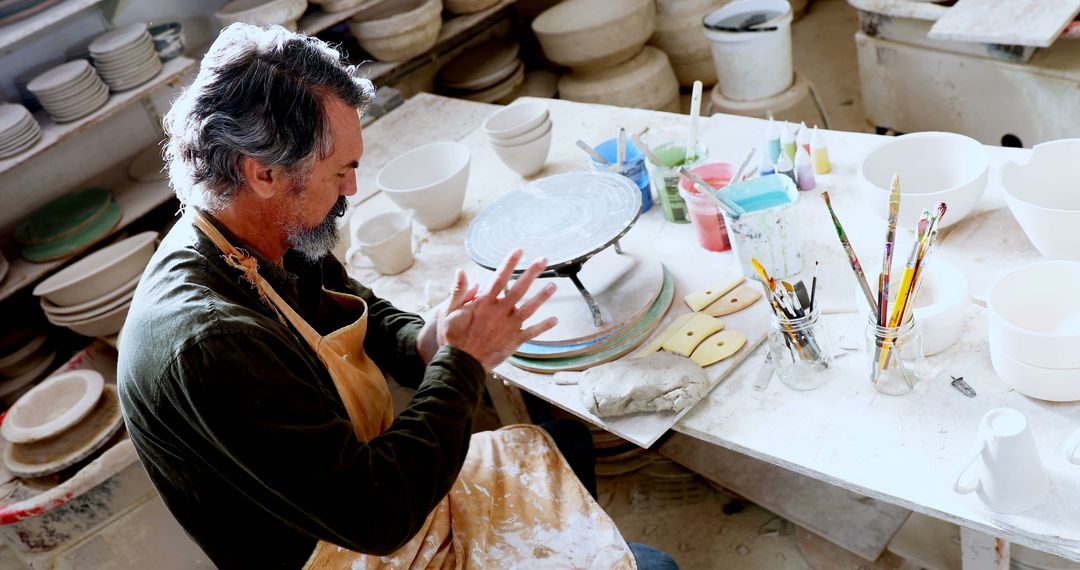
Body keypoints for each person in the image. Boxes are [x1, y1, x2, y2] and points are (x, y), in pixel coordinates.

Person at [117, 23, 677, 570]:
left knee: (565, 444)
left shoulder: (255, 228)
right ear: (262, 172)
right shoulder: (210, 345)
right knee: (653, 565)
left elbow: (362, 308)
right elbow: (377, 517)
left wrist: (424, 339)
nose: (352, 189)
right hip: (344, 542)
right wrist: (463, 363)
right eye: (340, 172)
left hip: (362, 494)